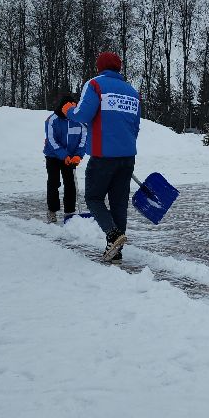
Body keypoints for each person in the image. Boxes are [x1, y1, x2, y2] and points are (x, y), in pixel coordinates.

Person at [62, 52, 141, 262]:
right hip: (127, 156)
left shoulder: (96, 85)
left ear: (100, 67)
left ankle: (113, 234)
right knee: (118, 202)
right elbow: (136, 125)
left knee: (94, 197)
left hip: (103, 155)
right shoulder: (132, 91)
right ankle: (116, 251)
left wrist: (69, 110)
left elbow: (82, 115)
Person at [43, 94, 87, 224]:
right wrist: (63, 155)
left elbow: (84, 139)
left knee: (70, 183)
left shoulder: (79, 121)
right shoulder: (52, 120)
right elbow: (51, 140)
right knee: (54, 182)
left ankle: (70, 212)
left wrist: (78, 155)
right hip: (53, 156)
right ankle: (52, 210)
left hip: (72, 157)